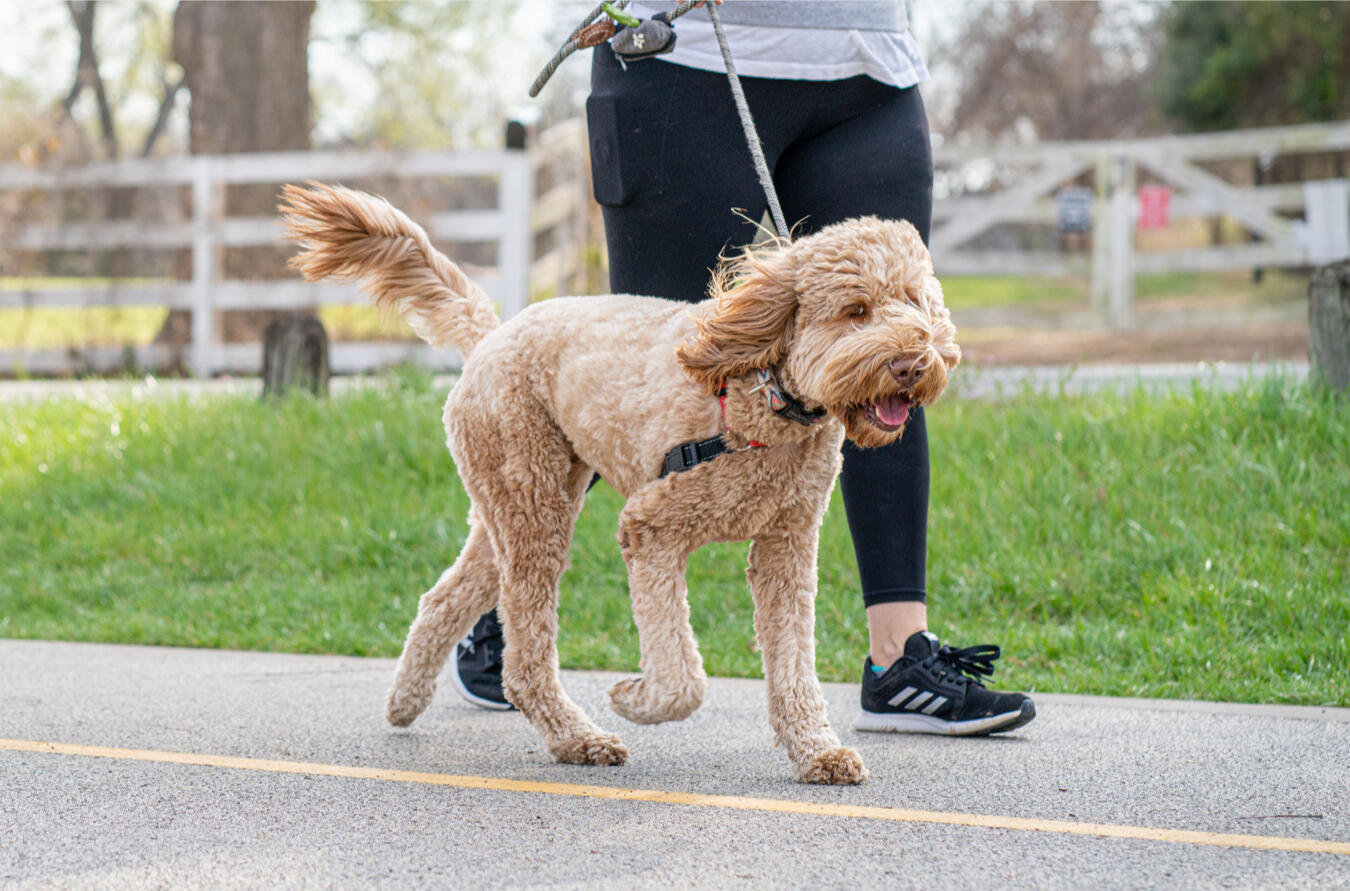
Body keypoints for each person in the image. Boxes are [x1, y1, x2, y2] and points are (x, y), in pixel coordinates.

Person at [453, 0, 1035, 736]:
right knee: (647, 379)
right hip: (682, 53)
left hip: (869, 63)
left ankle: (898, 658)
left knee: (889, 359)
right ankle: (505, 613)